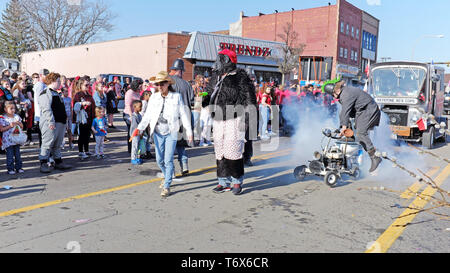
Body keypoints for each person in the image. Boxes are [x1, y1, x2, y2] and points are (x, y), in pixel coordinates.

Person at [202, 49, 257, 195]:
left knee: (233, 150)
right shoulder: (217, 77)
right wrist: (205, 99)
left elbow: (249, 100)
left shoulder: (240, 77)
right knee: (219, 150)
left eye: (220, 58)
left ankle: (237, 181)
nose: (217, 61)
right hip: (218, 118)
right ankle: (222, 182)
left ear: (227, 61)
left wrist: (247, 120)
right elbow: (208, 91)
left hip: (235, 118)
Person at [136, 71, 193, 198]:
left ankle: (167, 185)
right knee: (159, 160)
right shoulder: (154, 97)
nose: (160, 86)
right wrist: (139, 129)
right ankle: (168, 173)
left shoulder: (176, 96)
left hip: (171, 131)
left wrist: (189, 131)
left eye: (162, 83)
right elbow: (148, 115)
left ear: (168, 84)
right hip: (157, 132)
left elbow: (183, 114)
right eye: (158, 84)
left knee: (168, 159)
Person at [322, 78, 382, 173]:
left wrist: (344, 127)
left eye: (332, 95)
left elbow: (346, 111)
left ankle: (375, 157)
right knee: (357, 133)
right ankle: (353, 138)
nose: (334, 97)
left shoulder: (346, 94)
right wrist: (342, 126)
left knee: (360, 133)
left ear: (334, 92)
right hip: (362, 111)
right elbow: (344, 113)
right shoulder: (345, 92)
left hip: (369, 110)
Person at [38, 73, 71, 173]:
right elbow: (46, 109)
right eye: (58, 81)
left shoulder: (56, 93)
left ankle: (58, 161)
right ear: (52, 81)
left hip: (60, 122)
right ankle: (43, 163)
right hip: (51, 123)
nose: (60, 83)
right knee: (47, 144)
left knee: (58, 143)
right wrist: (50, 121)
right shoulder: (45, 93)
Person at [169, 59, 194, 175]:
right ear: (181, 71)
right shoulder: (187, 85)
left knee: (170, 145)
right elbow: (192, 101)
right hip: (184, 118)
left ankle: (171, 170)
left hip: (171, 118)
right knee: (181, 144)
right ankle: (184, 165)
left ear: (174, 70)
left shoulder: (168, 83)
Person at [73, 77, 96, 160]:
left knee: (87, 135)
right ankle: (80, 151)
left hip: (90, 117)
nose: (88, 86)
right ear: (81, 85)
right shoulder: (78, 95)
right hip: (82, 118)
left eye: (89, 85)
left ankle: (86, 150)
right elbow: (75, 106)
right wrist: (83, 103)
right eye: (86, 85)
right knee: (82, 135)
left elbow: (93, 105)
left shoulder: (88, 95)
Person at [0, 101, 24, 174]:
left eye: (14, 108)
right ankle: (10, 169)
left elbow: (22, 127)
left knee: (18, 155)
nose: (13, 110)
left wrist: (19, 124)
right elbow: (1, 129)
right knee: (10, 155)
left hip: (16, 139)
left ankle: (19, 167)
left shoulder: (17, 117)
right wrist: (10, 126)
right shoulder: (3, 118)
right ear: (5, 109)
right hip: (8, 140)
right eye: (11, 108)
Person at [123, 79, 143, 154]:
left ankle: (135, 148)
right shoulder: (130, 92)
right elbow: (128, 105)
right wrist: (132, 117)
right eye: (140, 85)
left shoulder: (138, 92)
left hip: (136, 113)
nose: (141, 87)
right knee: (131, 131)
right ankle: (131, 149)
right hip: (129, 114)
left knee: (135, 131)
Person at [33, 69, 49, 147]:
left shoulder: (44, 85)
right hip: (41, 113)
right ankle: (43, 154)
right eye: (45, 75)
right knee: (43, 135)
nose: (47, 77)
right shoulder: (39, 85)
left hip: (45, 112)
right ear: (40, 75)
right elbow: (40, 99)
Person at [130, 100, 144, 165]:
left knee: (139, 147)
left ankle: (138, 157)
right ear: (134, 107)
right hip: (135, 134)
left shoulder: (139, 115)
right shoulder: (134, 116)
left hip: (139, 134)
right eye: (140, 106)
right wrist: (139, 133)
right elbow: (135, 126)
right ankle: (133, 158)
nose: (141, 108)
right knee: (134, 146)